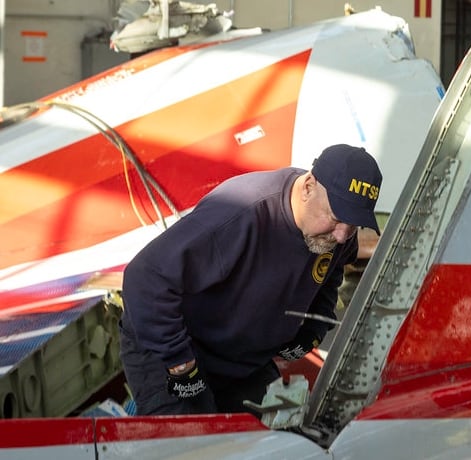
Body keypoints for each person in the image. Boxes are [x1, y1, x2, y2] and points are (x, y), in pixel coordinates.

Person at [118, 144, 382, 416]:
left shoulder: (336, 233)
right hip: (175, 346)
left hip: (241, 357)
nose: (342, 235)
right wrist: (180, 363)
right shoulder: (238, 214)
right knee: (194, 444)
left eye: (353, 226)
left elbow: (333, 268)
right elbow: (144, 276)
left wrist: (313, 327)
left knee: (273, 436)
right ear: (308, 187)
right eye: (336, 218)